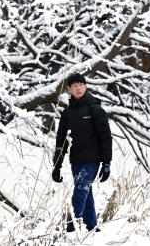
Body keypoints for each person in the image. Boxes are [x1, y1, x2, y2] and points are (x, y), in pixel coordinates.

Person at [52, 73, 112, 232]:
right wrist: (56, 166)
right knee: (86, 193)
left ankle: (69, 228)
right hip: (76, 160)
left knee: (80, 192)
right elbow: (61, 141)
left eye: (81, 84)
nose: (78, 88)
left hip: (92, 160)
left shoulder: (95, 110)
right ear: (69, 89)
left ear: (86, 86)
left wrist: (106, 163)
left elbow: (106, 137)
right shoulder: (67, 113)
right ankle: (92, 228)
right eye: (74, 85)